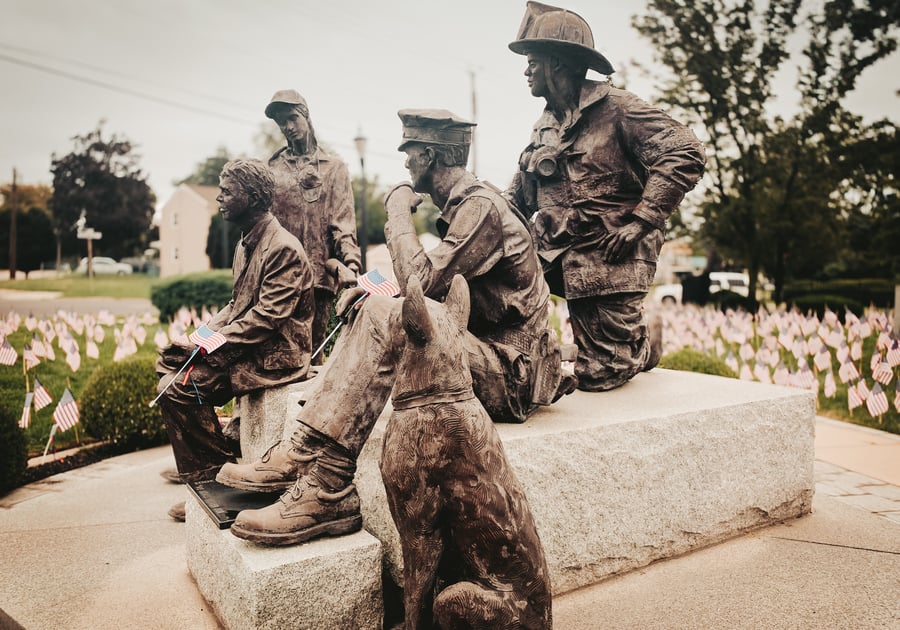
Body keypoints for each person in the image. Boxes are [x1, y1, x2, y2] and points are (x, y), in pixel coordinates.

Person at [216, 109, 573, 545]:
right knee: (374, 306)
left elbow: (420, 285)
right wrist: (375, 290)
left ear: (432, 155)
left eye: (411, 153)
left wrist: (398, 214)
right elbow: (434, 292)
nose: (405, 163)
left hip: (509, 374)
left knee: (386, 316)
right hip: (483, 355)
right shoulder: (467, 207)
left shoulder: (481, 208)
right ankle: (306, 455)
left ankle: (327, 487)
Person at [506, 1, 707, 391]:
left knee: (602, 374)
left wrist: (642, 219)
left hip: (609, 260)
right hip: (554, 256)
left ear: (558, 64)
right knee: (494, 289)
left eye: (533, 60)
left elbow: (686, 151)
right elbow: (520, 194)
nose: (527, 69)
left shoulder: (619, 109)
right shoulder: (544, 123)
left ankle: (638, 347)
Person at [156, 158, 315, 521]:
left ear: (253, 196)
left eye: (227, 191)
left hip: (274, 357)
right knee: (168, 362)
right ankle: (214, 464)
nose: (220, 198)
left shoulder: (282, 249)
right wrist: (197, 337)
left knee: (177, 388)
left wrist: (207, 347)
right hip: (247, 347)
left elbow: (266, 320)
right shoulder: (246, 242)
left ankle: (215, 483)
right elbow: (237, 305)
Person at [265, 89, 362, 361]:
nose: (288, 127)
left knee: (313, 356)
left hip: (319, 279)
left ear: (306, 116)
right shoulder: (272, 168)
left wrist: (351, 264)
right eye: (281, 122)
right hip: (280, 276)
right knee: (280, 355)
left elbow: (343, 223)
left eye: (293, 118)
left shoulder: (334, 168)